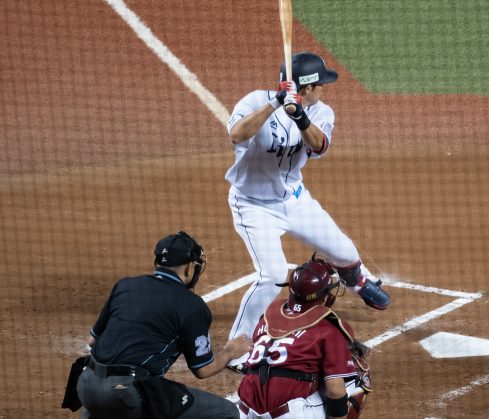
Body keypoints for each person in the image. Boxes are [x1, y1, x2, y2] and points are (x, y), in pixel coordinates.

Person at [225, 51, 391, 353]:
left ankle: (357, 281)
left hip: (295, 201)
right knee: (272, 276)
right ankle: (238, 345)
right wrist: (276, 104)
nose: (325, 88)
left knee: (345, 251)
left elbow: (319, 145)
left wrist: (299, 116)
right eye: (321, 84)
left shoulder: (321, 112)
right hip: (253, 205)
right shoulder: (254, 101)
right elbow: (237, 135)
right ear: (309, 87)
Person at [67, 231, 245, 419]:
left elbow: (92, 340)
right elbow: (203, 369)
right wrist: (229, 353)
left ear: (157, 262)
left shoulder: (125, 286)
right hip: (125, 395)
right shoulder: (192, 306)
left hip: (86, 385)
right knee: (227, 412)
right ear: (189, 267)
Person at [235, 255, 372, 418]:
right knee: (357, 377)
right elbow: (335, 392)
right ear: (324, 296)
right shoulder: (328, 329)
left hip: (244, 410)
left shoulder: (267, 317)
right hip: (287, 414)